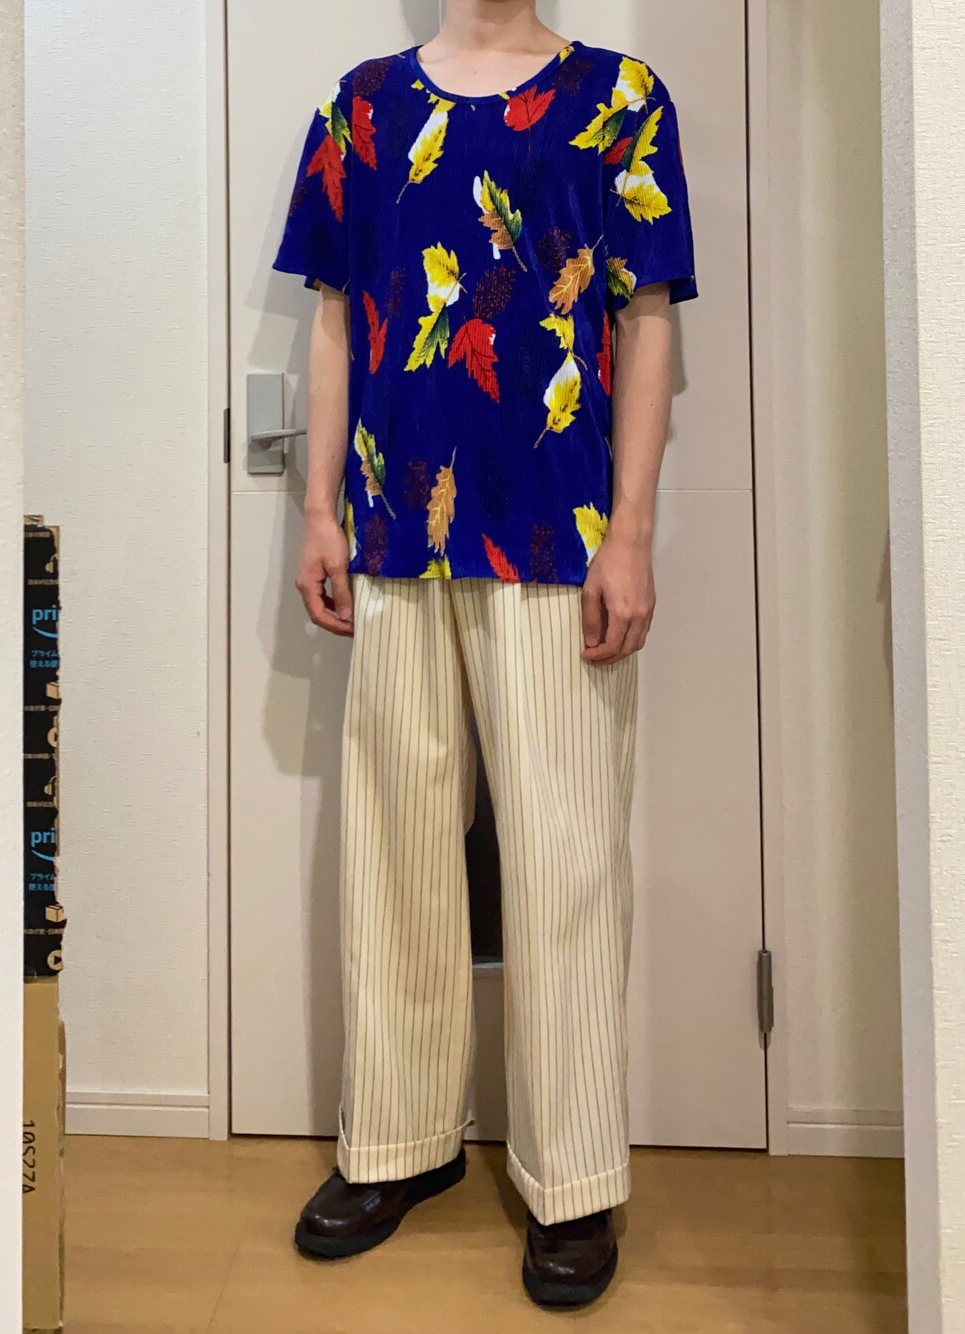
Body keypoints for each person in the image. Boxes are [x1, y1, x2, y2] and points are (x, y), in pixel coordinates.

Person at [271, 0, 696, 1309]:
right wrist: (319, 509)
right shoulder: (360, 107)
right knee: (395, 849)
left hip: (560, 539)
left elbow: (648, 323)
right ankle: (400, 1142)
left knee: (567, 859)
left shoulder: (622, 98)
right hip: (396, 534)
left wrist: (632, 534)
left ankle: (575, 1176)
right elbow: (335, 323)